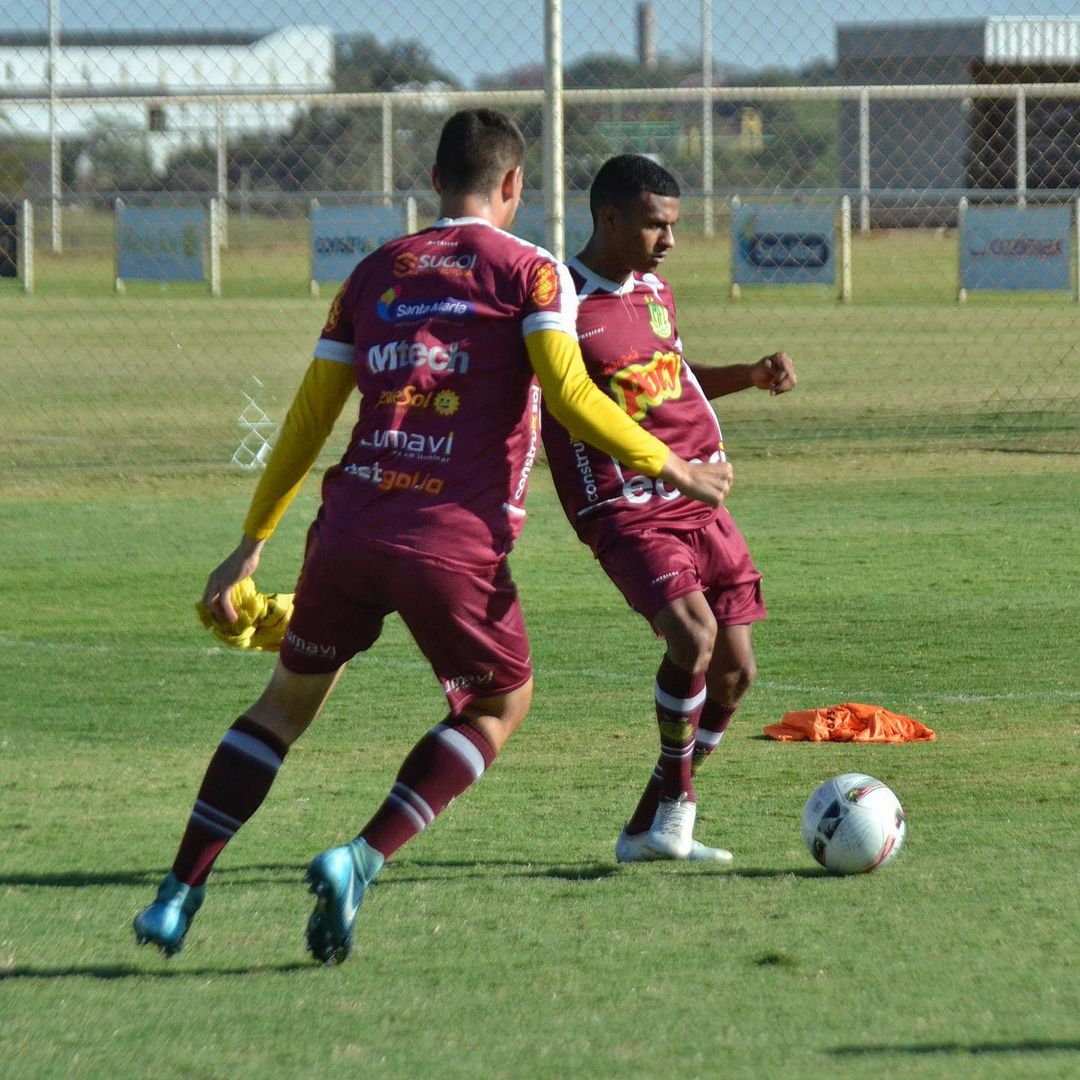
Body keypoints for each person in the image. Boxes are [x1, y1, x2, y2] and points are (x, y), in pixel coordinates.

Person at [133, 112, 733, 964]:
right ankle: (360, 857)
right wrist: (670, 466)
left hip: (348, 528)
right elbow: (567, 395)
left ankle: (176, 893)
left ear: (436, 177)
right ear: (515, 186)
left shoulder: (376, 269)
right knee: (498, 703)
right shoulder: (530, 273)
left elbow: (308, 418)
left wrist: (250, 543)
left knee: (282, 707)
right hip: (451, 541)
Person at [541, 155, 797, 866]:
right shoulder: (558, 302)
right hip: (626, 507)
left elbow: (674, 380)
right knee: (693, 636)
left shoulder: (656, 291)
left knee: (737, 670)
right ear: (611, 218)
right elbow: (557, 404)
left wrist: (745, 376)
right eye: (657, 225)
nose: (670, 240)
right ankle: (679, 805)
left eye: (674, 227)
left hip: (702, 496)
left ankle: (646, 830)